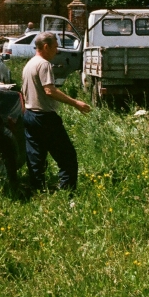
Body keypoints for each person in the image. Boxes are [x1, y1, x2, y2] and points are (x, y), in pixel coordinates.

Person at [20, 31, 91, 192]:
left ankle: (37, 189)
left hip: (30, 115)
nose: (57, 51)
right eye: (55, 47)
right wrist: (76, 103)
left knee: (36, 156)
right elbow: (50, 91)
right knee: (67, 156)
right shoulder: (44, 64)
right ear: (46, 46)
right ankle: (67, 191)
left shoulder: (29, 64)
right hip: (45, 117)